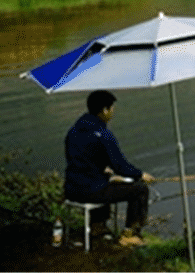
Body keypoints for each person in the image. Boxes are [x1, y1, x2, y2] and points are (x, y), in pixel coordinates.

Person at [64, 90, 154, 245]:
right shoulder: (104, 135)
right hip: (90, 192)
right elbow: (120, 166)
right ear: (105, 110)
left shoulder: (73, 131)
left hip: (71, 190)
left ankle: (97, 226)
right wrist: (140, 175)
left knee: (106, 182)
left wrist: (102, 170)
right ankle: (129, 235)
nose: (113, 112)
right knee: (140, 190)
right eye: (112, 108)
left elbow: (78, 161)